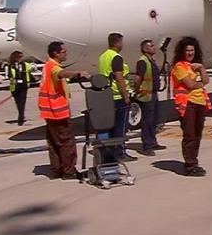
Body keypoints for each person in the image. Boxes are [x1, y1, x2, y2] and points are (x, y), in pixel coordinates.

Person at [38, 41, 90, 179]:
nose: (66, 54)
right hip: (57, 111)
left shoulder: (47, 66)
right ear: (55, 53)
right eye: (64, 52)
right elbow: (61, 73)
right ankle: (68, 171)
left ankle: (57, 170)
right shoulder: (53, 66)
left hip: (49, 111)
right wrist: (77, 73)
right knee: (67, 142)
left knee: (54, 141)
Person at [171, 37, 210, 177]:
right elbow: (191, 84)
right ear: (182, 51)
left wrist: (201, 68)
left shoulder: (196, 66)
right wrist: (199, 83)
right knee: (189, 135)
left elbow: (206, 80)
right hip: (187, 104)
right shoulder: (179, 66)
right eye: (187, 50)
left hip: (200, 103)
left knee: (197, 135)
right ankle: (189, 165)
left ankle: (194, 162)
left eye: (192, 50)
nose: (190, 53)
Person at [98, 33, 137, 162]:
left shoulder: (103, 57)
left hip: (105, 96)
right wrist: (126, 96)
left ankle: (107, 152)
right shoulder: (116, 58)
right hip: (117, 96)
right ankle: (120, 152)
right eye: (121, 42)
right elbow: (119, 78)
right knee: (120, 127)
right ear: (117, 43)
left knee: (107, 127)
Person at [134, 39, 165, 156]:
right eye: (151, 46)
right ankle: (147, 145)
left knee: (154, 119)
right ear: (145, 49)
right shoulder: (142, 62)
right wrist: (138, 91)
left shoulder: (151, 60)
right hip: (146, 95)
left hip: (153, 93)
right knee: (147, 120)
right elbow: (138, 79)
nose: (154, 47)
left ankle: (153, 141)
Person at [8, 51, 32, 125]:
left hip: (23, 86)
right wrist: (12, 79)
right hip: (15, 86)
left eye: (21, 57)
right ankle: (21, 113)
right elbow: (9, 75)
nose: (21, 58)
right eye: (19, 57)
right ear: (15, 58)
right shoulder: (11, 66)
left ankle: (20, 117)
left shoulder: (26, 65)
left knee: (22, 101)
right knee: (18, 102)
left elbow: (29, 74)